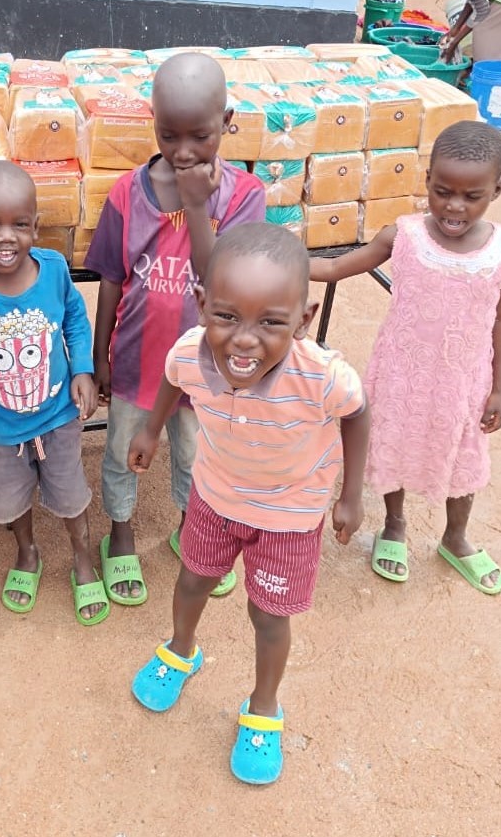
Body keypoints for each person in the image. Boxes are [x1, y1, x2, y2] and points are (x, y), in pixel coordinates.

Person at [128, 223, 370, 785]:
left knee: (268, 615)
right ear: (201, 305)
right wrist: (151, 429)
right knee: (193, 579)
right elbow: (173, 378)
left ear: (305, 320)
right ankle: (179, 651)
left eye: (271, 323)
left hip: (290, 516)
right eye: (227, 316)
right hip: (214, 496)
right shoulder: (191, 352)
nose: (243, 340)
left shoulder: (323, 377)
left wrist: (351, 494)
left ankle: (263, 708)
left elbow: (358, 416)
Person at [86, 51, 266, 606]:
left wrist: (195, 207)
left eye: (201, 135)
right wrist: (100, 360)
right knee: (121, 451)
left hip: (207, 368)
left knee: (198, 454)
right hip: (138, 361)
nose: (184, 151)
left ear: (227, 120)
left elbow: (216, 280)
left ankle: (194, 530)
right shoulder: (126, 193)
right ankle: (120, 534)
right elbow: (111, 282)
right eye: (170, 134)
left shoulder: (243, 196)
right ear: (153, 121)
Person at [310, 120, 501, 595]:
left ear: (497, 191)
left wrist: (500, 387)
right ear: (427, 180)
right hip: (403, 376)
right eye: (443, 191)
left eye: (472, 196)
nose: (454, 206)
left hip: (464, 384)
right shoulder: (402, 236)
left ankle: (455, 536)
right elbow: (337, 268)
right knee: (395, 445)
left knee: (463, 456)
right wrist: (273, 256)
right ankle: (395, 524)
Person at [0, 161, 107, 625]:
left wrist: (82, 369)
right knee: (11, 498)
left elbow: (74, 319)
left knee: (71, 492)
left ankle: (81, 557)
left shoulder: (54, 270)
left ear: (36, 226)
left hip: (57, 415)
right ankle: (28, 550)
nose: (5, 237)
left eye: (19, 224)